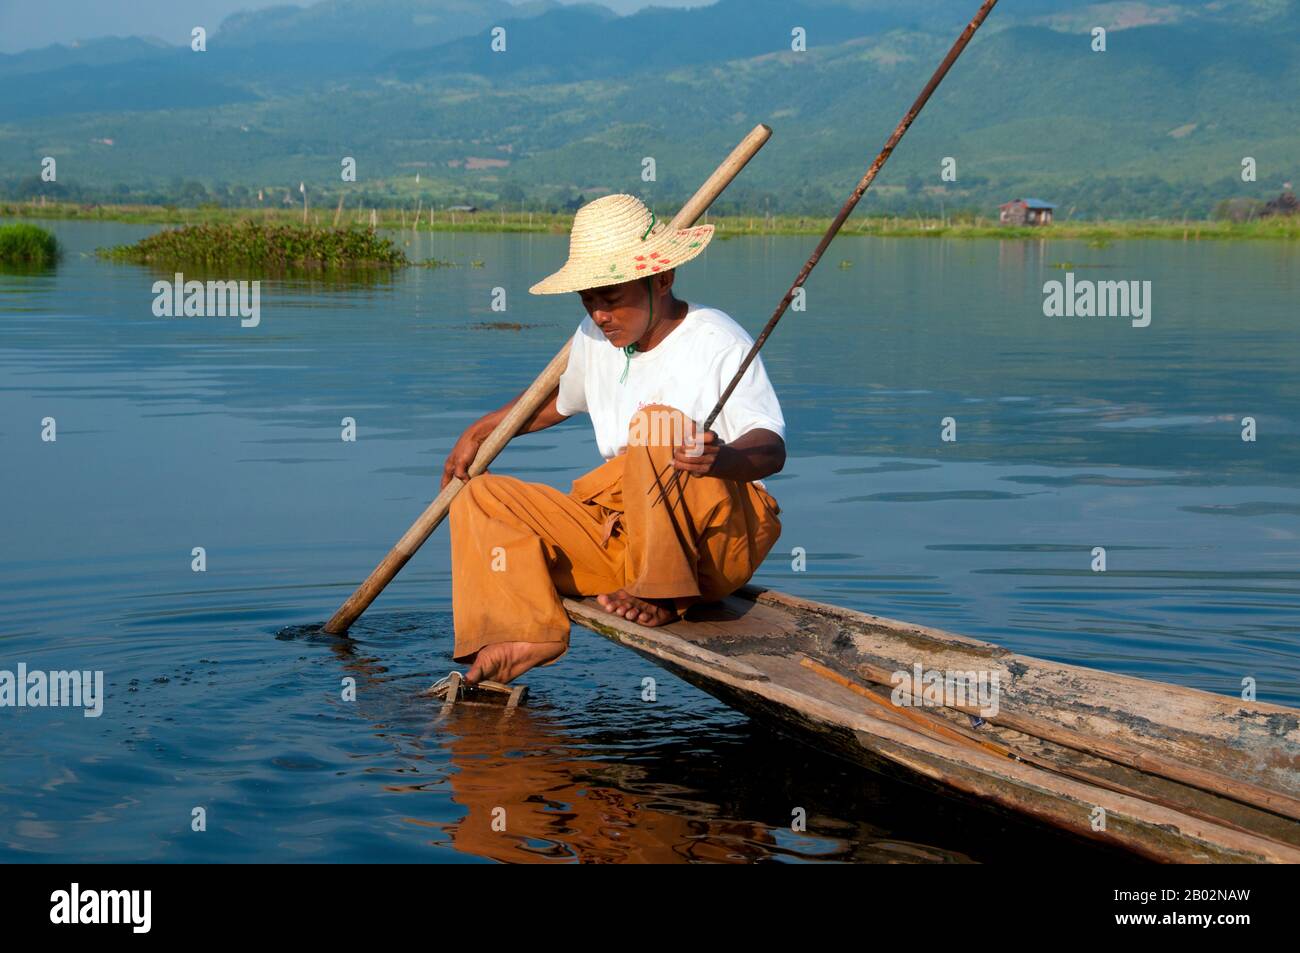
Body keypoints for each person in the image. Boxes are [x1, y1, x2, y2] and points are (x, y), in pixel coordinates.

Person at [443, 193, 785, 684]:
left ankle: (663, 591)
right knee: (480, 495)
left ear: (662, 280)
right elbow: (556, 401)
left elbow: (770, 447)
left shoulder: (716, 340)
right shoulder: (594, 336)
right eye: (590, 302)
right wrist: (479, 432)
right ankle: (522, 632)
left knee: (655, 424)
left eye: (611, 300)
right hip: (624, 534)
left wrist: (723, 457)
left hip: (711, 545)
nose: (601, 316)